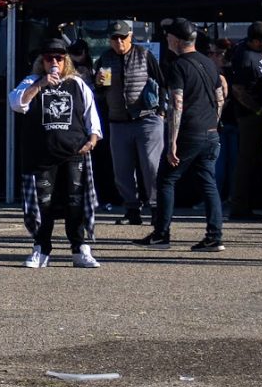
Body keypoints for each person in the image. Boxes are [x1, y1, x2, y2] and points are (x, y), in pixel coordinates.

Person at [11, 37, 102, 268]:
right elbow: (16, 103)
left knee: (75, 201)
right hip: (42, 155)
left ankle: (79, 248)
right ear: (42, 61)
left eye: (59, 58)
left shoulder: (77, 83)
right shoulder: (32, 81)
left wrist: (92, 139)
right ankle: (41, 248)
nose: (54, 62)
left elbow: (92, 115)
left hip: (74, 152)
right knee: (43, 204)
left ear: (66, 61)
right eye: (49, 58)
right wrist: (40, 84)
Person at [149, 18, 228, 251]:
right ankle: (215, 235)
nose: (166, 40)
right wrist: (215, 122)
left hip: (189, 132)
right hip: (211, 132)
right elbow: (220, 96)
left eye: (168, 37)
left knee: (166, 179)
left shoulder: (178, 66)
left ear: (175, 39)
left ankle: (161, 234)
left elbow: (176, 104)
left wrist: (172, 141)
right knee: (208, 183)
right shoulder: (209, 63)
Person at [94, 21, 165, 226]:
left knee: (151, 167)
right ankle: (132, 209)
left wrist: (161, 112)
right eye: (115, 38)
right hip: (118, 121)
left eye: (122, 37)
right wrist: (98, 82)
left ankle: (155, 209)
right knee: (122, 169)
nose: (119, 42)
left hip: (147, 119)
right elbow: (99, 93)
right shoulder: (104, 59)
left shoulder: (144, 55)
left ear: (130, 37)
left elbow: (161, 83)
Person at [222, 20, 262, 222]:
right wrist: (257, 110)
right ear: (255, 41)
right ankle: (239, 207)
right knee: (247, 161)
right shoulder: (245, 56)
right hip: (251, 117)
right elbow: (238, 90)